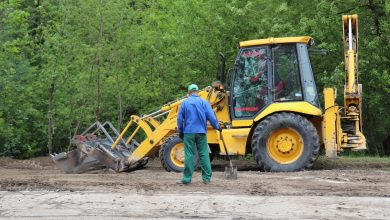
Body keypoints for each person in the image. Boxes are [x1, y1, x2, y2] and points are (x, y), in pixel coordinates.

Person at [177, 84, 221, 185]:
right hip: (201, 132)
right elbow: (212, 117)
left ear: (189, 92)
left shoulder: (184, 103)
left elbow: (179, 119)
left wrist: (180, 132)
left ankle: (187, 179)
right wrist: (217, 127)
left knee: (189, 154)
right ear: (197, 92)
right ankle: (206, 178)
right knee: (204, 154)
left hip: (188, 132)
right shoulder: (204, 102)